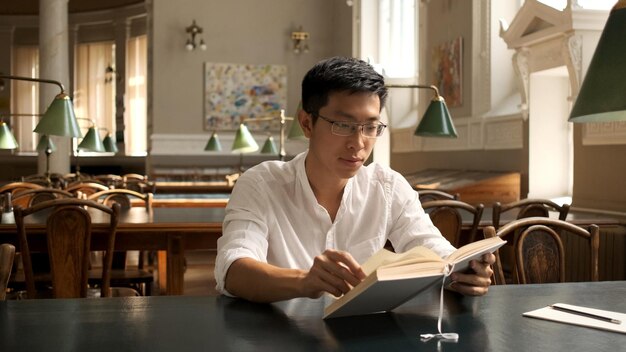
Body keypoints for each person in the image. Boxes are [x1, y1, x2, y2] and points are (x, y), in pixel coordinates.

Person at [215, 56, 495, 303]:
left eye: (371, 127)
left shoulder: (388, 186)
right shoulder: (261, 184)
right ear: (307, 123)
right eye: (343, 126)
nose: (359, 143)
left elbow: (434, 251)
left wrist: (464, 272)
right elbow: (233, 270)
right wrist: (304, 281)